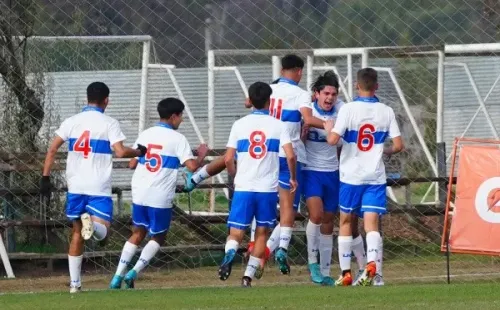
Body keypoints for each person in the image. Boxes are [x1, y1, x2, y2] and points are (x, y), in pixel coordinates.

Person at [40, 82, 147, 293]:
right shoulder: (109, 123)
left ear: (87, 98)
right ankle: (94, 226)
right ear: (106, 100)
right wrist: (138, 152)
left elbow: (52, 149)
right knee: (103, 233)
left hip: (76, 185)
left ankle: (74, 285)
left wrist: (45, 178)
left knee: (77, 233)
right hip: (97, 187)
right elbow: (120, 152)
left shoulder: (71, 122)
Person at [109, 98, 208, 289]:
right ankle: (133, 272)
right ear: (173, 117)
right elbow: (193, 166)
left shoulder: (146, 134)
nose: (181, 121)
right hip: (159, 194)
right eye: (181, 117)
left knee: (137, 233)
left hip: (139, 190)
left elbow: (132, 163)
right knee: (158, 237)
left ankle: (116, 276)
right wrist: (201, 154)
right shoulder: (178, 139)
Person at [324, 68, 404, 286]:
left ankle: (346, 273)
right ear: (376, 86)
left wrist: (328, 127)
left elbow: (332, 140)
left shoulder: (348, 109)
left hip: (351, 176)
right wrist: (384, 151)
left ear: (356, 86)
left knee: (346, 221)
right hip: (375, 177)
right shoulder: (386, 111)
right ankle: (374, 270)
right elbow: (398, 145)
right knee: (371, 225)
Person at [218, 81, 296, 287]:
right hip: (267, 190)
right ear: (269, 101)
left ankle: (229, 255)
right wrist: (293, 177)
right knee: (262, 233)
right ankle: (247, 277)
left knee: (236, 232)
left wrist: (235, 176)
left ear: (250, 101)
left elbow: (227, 159)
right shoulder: (279, 126)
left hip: (244, 186)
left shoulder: (239, 125)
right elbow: (290, 155)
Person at [265, 54, 325, 275]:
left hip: (265, 153)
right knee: (290, 207)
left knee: (264, 202)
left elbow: (247, 101)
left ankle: (257, 248)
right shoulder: (301, 94)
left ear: (282, 70)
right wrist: (329, 124)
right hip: (289, 154)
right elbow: (308, 119)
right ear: (299, 71)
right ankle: (281, 247)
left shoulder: (268, 90)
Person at [302, 71, 345, 286]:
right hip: (311, 171)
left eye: (333, 94)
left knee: (329, 220)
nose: (330, 98)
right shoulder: (307, 111)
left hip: (333, 172)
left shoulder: (341, 110)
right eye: (326, 93)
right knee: (316, 215)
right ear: (316, 94)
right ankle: (312, 264)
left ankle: (326, 272)